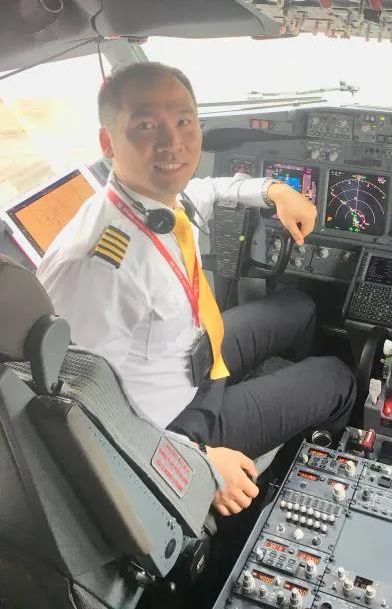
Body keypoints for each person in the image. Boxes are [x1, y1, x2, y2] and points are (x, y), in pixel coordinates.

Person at [37, 62, 356, 517]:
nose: (174, 143)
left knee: (299, 306)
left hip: (195, 359)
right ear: (107, 142)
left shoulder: (156, 199)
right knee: (336, 378)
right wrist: (200, 463)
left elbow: (208, 189)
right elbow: (75, 408)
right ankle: (304, 470)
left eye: (184, 121)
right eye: (146, 125)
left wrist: (273, 190)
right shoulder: (96, 267)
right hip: (171, 427)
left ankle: (282, 414)